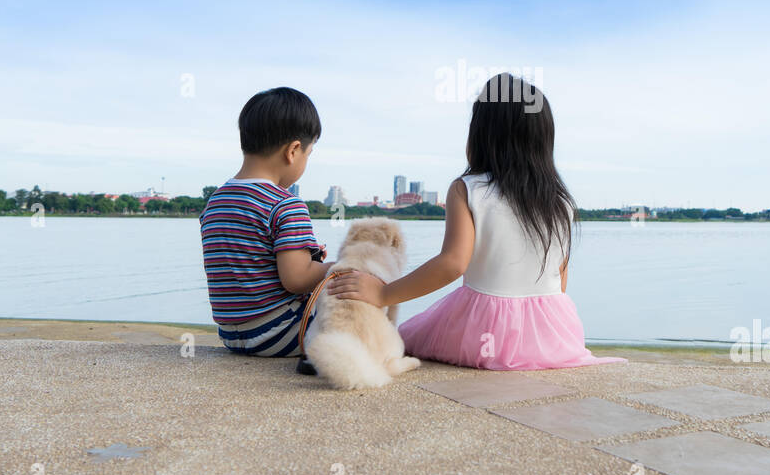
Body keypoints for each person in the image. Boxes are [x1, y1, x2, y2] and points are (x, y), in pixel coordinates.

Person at [328, 73, 623, 370]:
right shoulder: (560, 201)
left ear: (482, 135)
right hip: (555, 337)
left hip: (486, 334)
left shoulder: (468, 189)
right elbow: (560, 278)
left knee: (406, 337)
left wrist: (383, 293)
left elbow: (453, 264)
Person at [199, 86, 330, 368]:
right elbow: (296, 280)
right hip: (281, 334)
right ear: (294, 150)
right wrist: (335, 268)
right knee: (354, 289)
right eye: (309, 153)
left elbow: (247, 260)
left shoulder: (216, 201)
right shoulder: (286, 204)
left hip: (232, 335)